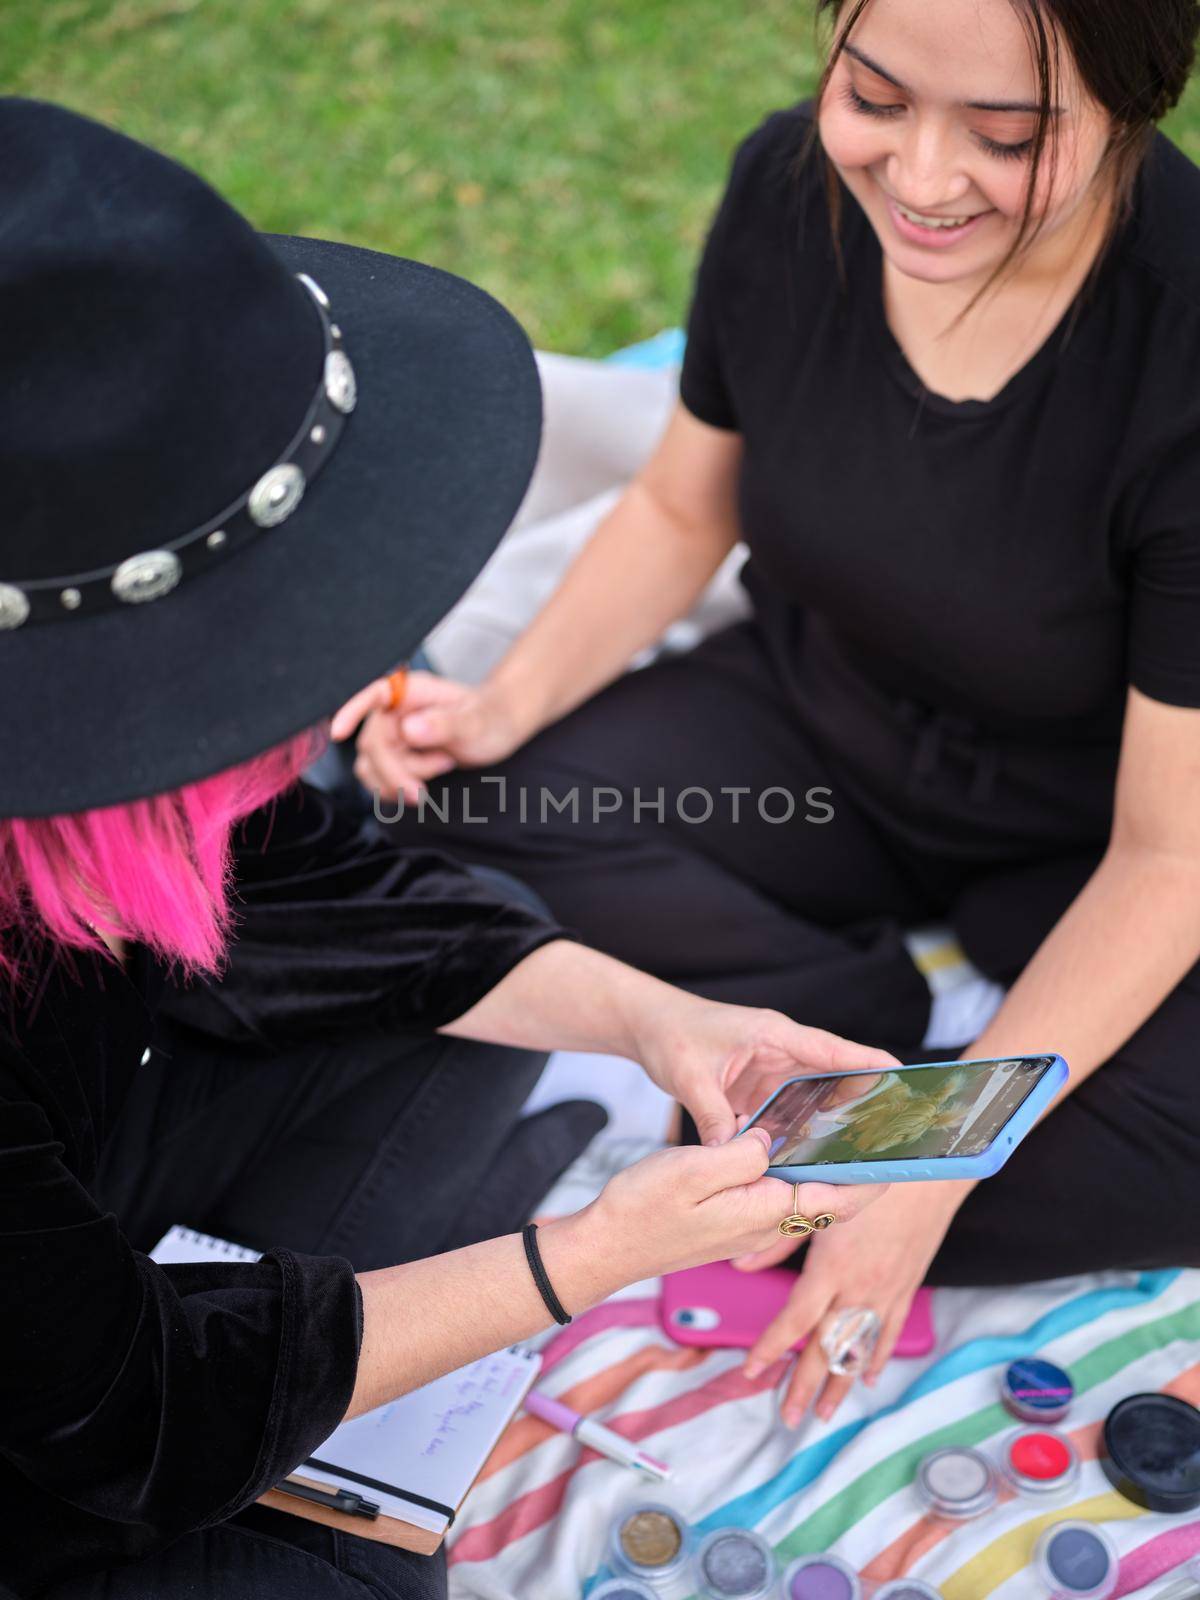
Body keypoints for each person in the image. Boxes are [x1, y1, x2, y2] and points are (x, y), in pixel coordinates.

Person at [0, 100, 893, 1598]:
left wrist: (664, 1018)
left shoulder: (92, 768)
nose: (327, 680)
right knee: (338, 1577)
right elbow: (118, 1414)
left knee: (488, 968)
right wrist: (588, 1260)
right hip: (65, 1422)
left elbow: (329, 884)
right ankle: (312, 1394)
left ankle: (306, 1345)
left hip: (97, 1185)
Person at [336, 0, 1200, 1427]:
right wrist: (499, 708)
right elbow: (684, 500)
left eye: (1008, 135)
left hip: (1099, 836)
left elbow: (1169, 863)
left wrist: (942, 1164)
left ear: (1136, 103)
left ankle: (848, 1139)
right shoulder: (787, 192)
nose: (921, 181)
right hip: (824, 729)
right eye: (875, 97)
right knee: (477, 818)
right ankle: (846, 1048)